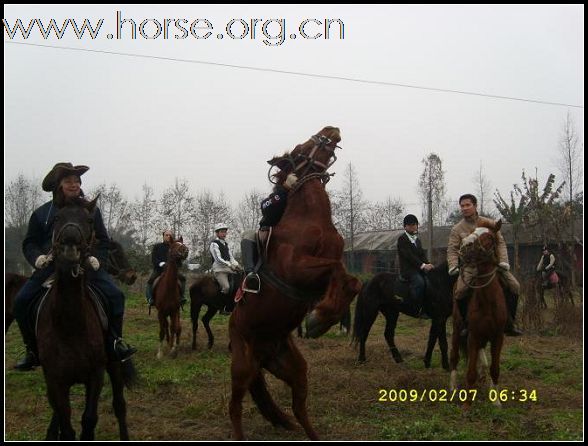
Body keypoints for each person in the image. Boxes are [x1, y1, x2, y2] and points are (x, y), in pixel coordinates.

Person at [13, 162, 137, 371]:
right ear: (58, 185)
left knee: (116, 296)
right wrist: (37, 258)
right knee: (21, 301)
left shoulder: (90, 210)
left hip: (85, 266)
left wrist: (97, 258)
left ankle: (115, 342)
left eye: (77, 181)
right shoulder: (41, 214)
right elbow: (30, 242)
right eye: (68, 181)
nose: (74, 184)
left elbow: (105, 241)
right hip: (50, 267)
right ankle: (32, 350)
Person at [447, 193, 523, 337]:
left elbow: (500, 243)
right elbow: (452, 249)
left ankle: (510, 322)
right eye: (462, 206)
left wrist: (504, 262)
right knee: (460, 291)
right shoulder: (457, 229)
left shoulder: (490, 223)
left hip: (492, 265)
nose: (464, 208)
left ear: (475, 206)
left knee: (515, 286)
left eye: (468, 205)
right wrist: (452, 265)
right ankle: (465, 324)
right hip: (470, 267)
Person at [240, 172, 298, 292]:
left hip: (279, 231)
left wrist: (284, 190)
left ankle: (251, 273)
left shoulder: (284, 195)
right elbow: (265, 206)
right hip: (271, 230)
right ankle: (251, 273)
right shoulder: (281, 195)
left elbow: (264, 207)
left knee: (248, 234)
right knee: (249, 233)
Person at [397, 214, 434, 318]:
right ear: (405, 227)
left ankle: (427, 306)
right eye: (411, 225)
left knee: (430, 281)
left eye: (415, 224)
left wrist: (428, 264)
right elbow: (409, 256)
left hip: (418, 268)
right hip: (408, 270)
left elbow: (421, 254)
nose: (414, 227)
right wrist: (422, 265)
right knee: (420, 282)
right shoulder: (402, 239)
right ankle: (414, 308)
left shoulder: (417, 240)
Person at [146, 229, 187, 306]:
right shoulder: (157, 246)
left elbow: (179, 261)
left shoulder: (176, 246)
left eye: (170, 235)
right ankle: (150, 298)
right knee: (150, 281)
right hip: (159, 270)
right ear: (163, 236)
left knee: (183, 278)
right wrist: (161, 264)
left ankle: (181, 297)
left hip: (172, 270)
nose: (168, 236)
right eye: (166, 235)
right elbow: (154, 259)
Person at [210, 223, 242, 307]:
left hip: (228, 268)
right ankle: (222, 306)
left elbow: (231, 258)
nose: (224, 234)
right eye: (222, 232)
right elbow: (218, 259)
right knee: (226, 287)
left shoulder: (226, 244)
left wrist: (237, 265)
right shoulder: (214, 244)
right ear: (217, 233)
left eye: (225, 232)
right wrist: (229, 265)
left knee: (241, 278)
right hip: (219, 269)